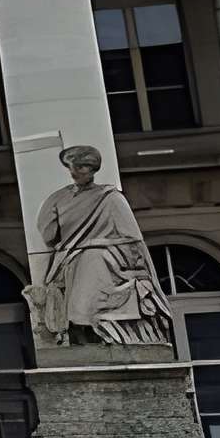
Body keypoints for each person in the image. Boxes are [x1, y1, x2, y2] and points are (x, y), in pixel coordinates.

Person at [33, 143, 174, 351]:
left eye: (80, 167)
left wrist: (136, 269)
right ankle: (86, 333)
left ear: (92, 169)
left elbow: (132, 240)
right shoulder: (58, 199)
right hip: (78, 261)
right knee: (87, 271)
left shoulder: (111, 197)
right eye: (72, 167)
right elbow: (49, 235)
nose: (74, 172)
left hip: (108, 262)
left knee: (93, 267)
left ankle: (96, 331)